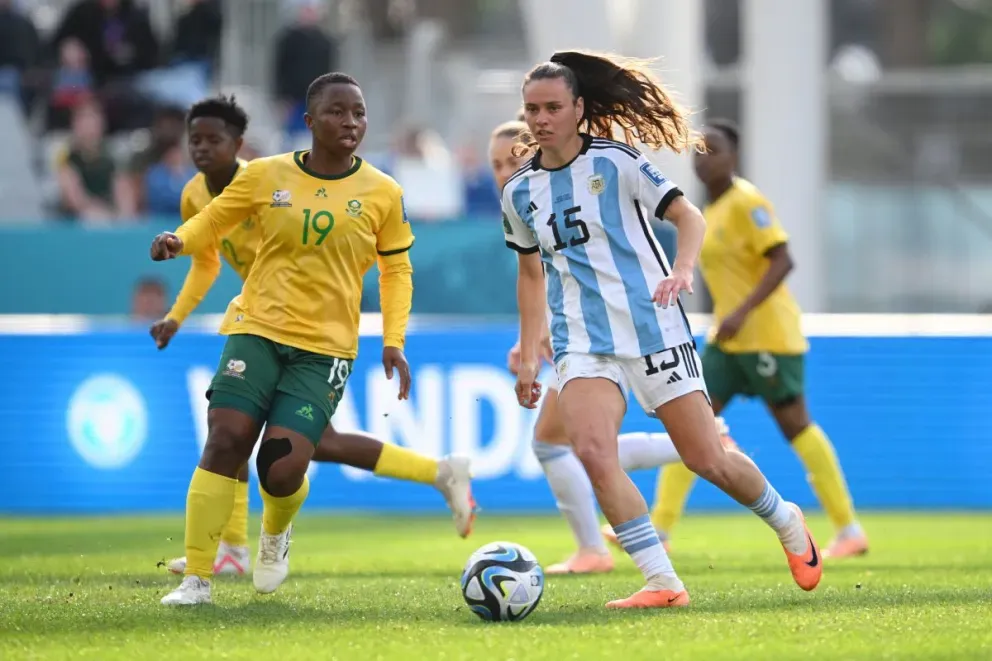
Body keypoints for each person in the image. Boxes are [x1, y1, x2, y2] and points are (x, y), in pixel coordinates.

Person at [503, 51, 822, 609]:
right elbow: (531, 274)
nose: (541, 118)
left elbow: (687, 217)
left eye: (553, 106)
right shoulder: (518, 193)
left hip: (653, 328)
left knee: (706, 459)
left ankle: (785, 517)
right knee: (594, 452)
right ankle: (662, 581)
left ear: (579, 109)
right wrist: (530, 353)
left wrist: (682, 268)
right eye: (532, 109)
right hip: (582, 340)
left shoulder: (618, 163)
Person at [151, 95, 475, 580]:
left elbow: (395, 267)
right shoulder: (208, 193)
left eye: (212, 140)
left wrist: (394, 337)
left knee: (293, 456)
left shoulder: (365, 190)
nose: (201, 149)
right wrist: (177, 310)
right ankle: (232, 550)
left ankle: (436, 473)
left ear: (237, 144)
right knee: (232, 432)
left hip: (321, 337)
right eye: (193, 140)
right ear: (309, 122)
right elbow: (206, 250)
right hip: (259, 322)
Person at [490, 119, 737, 575]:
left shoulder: (574, 184)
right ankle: (599, 547)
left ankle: (596, 547)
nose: (504, 172)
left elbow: (579, 268)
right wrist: (530, 342)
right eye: (496, 165)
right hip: (579, 337)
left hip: (615, 332)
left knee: (564, 444)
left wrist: (533, 343)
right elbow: (544, 275)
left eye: (512, 160)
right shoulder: (524, 201)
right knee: (563, 443)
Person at [642, 119, 867, 559]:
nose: (705, 157)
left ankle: (849, 528)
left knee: (795, 425)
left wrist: (742, 312)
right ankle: (660, 528)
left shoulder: (747, 201)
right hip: (728, 339)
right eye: (699, 150)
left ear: (735, 156)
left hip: (766, 335)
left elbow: (783, 260)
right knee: (692, 422)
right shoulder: (710, 210)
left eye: (716, 149)